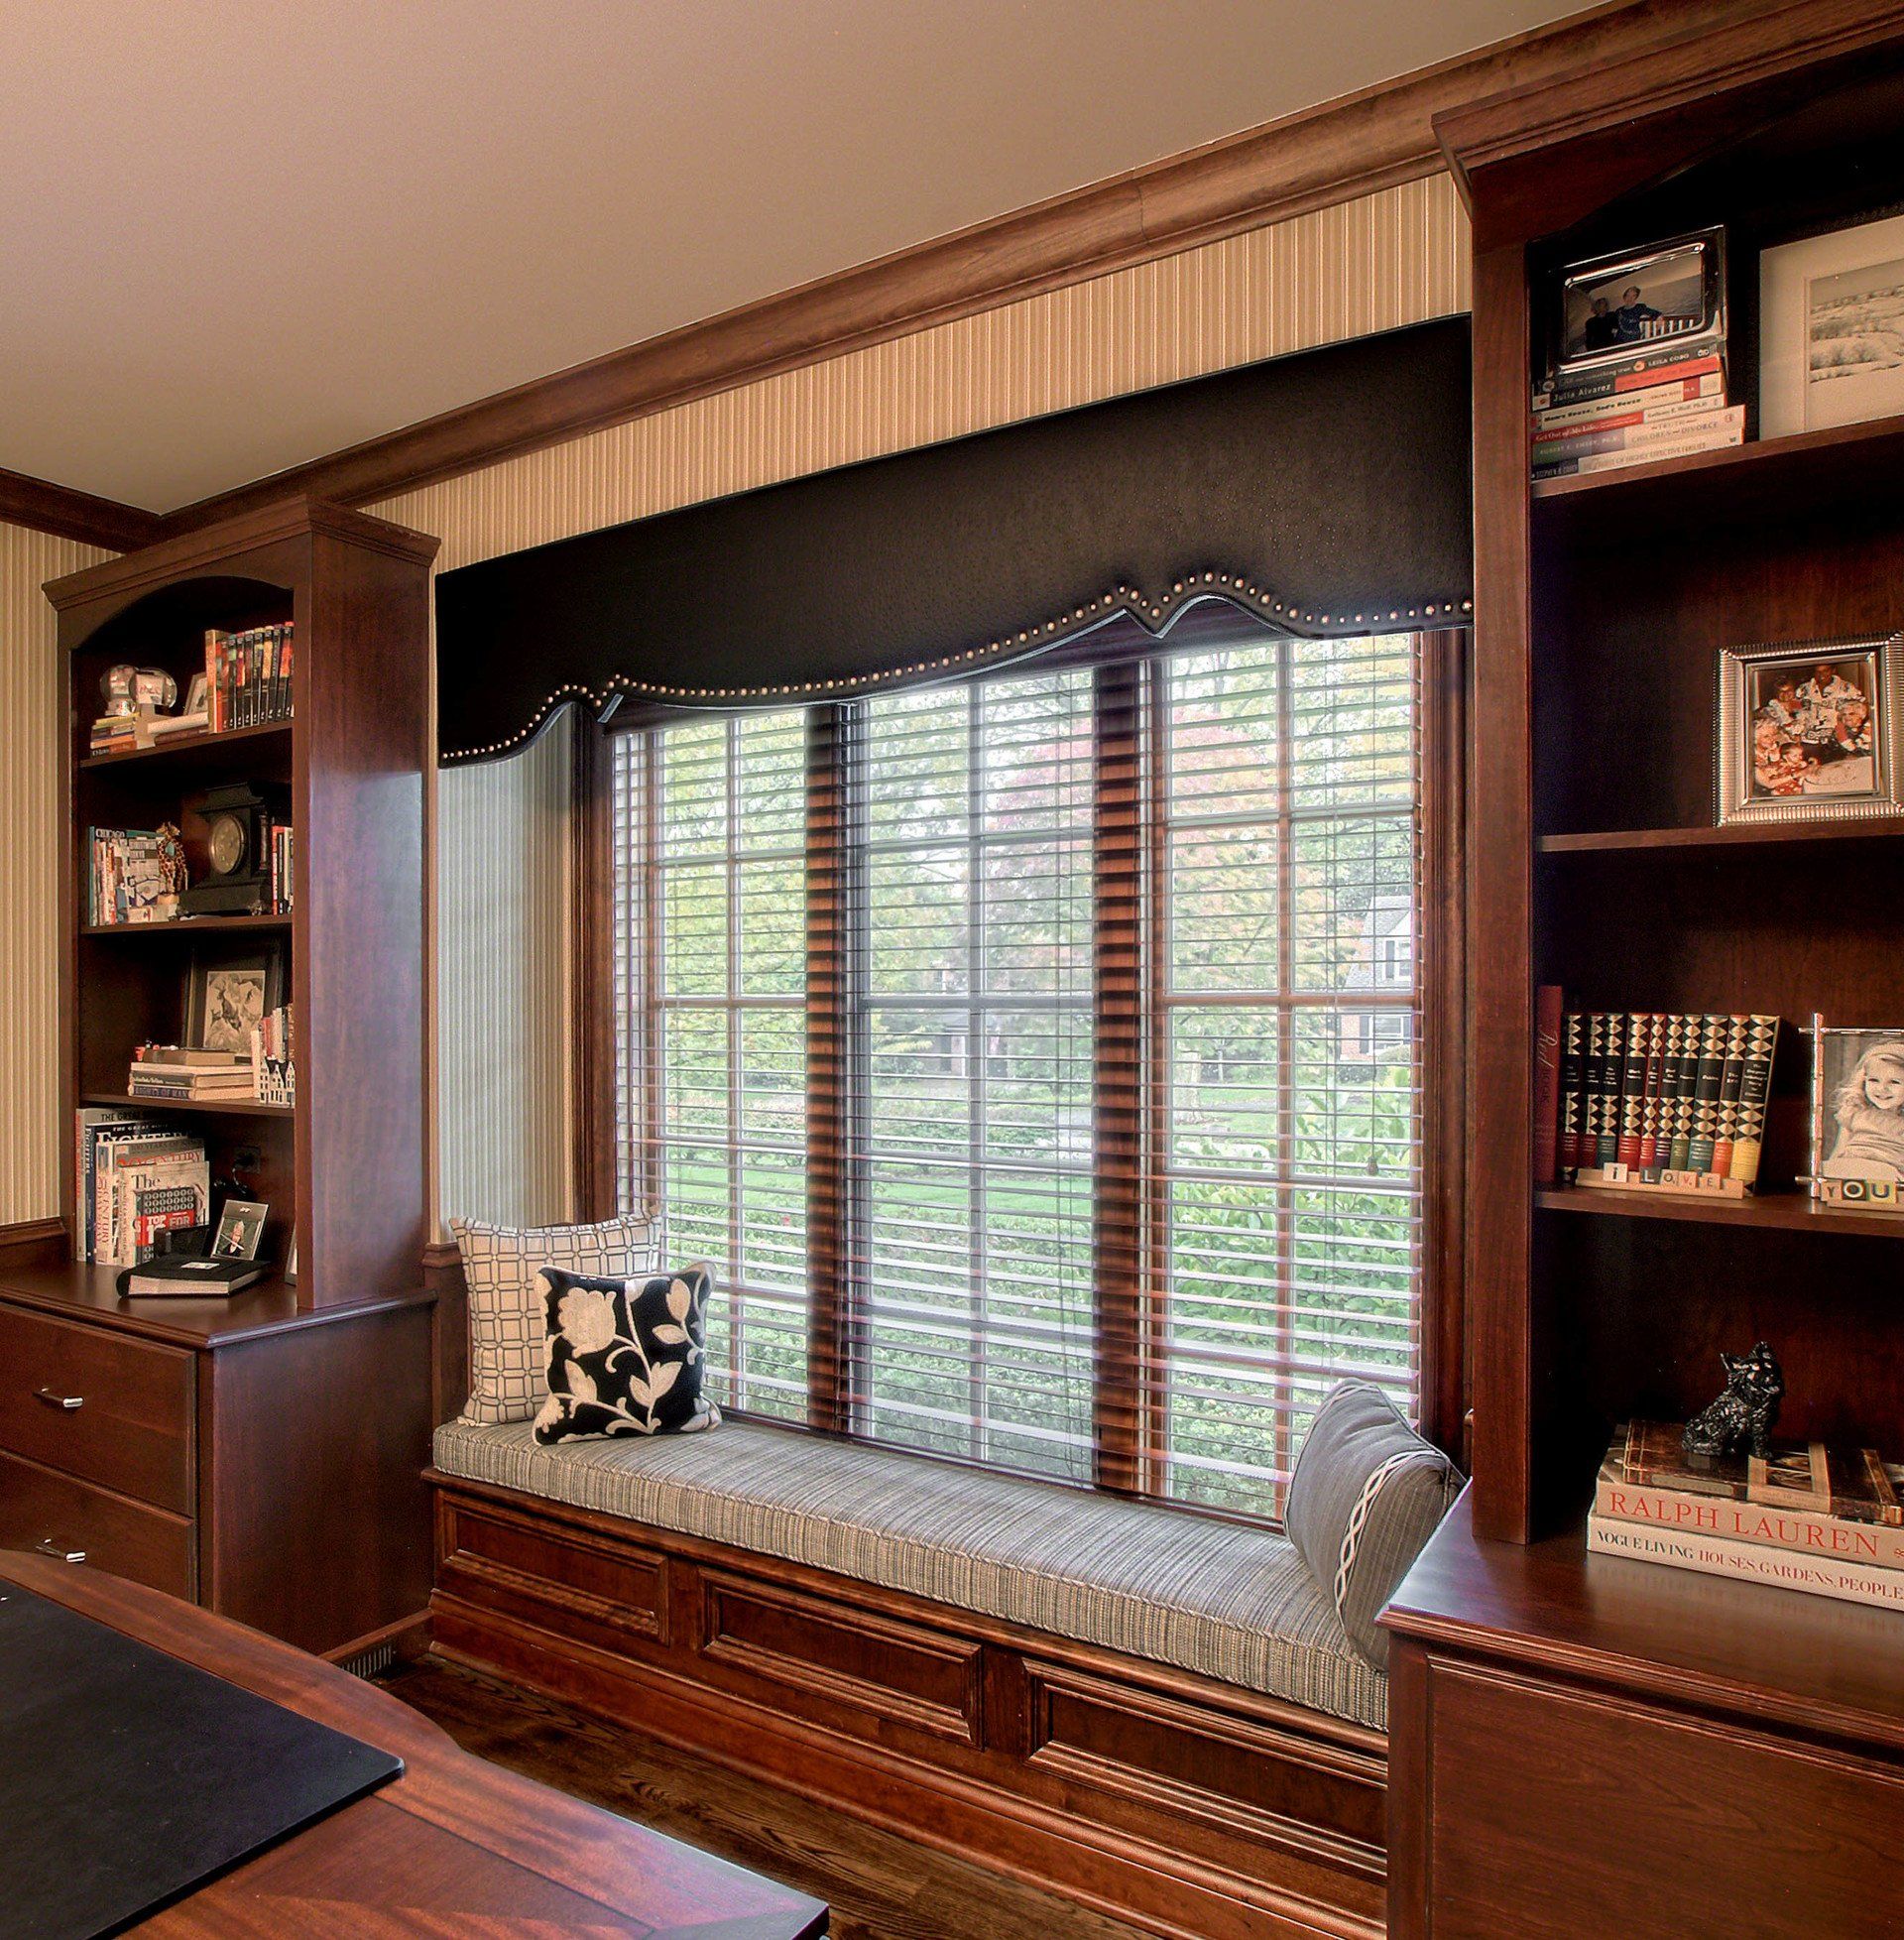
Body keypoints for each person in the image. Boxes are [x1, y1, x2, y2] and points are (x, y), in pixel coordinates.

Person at [1824, 1039, 1904, 1183]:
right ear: (1863, 1080)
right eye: (1874, 1080)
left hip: (1888, 1174)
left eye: (1894, 1082)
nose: (1881, 1089)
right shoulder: (1855, 1111)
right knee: (1826, 1169)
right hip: (1849, 1167)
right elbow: (1839, 1151)